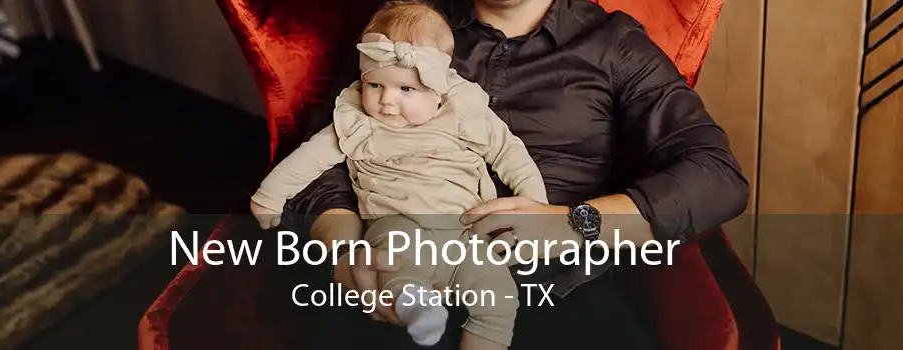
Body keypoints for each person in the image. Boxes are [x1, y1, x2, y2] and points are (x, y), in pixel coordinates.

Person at [276, 0, 750, 349]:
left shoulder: (614, 45)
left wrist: (575, 222)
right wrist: (342, 251)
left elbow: (716, 174)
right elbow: (327, 152)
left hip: (554, 293)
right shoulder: (407, 28)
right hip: (398, 270)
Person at [251, 2, 548, 349]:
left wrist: (535, 206)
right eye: (375, 85)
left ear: (438, 90)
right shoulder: (359, 121)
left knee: (499, 294)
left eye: (405, 90)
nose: (387, 102)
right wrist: (269, 195)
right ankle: (418, 307)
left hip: (467, 232)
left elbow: (511, 155)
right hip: (398, 223)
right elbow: (309, 158)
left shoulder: (464, 111)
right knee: (395, 266)